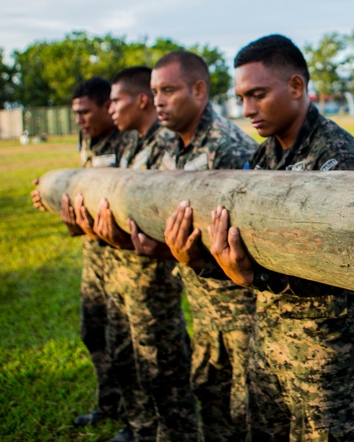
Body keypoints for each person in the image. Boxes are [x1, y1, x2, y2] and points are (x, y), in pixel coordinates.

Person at [206, 34, 354, 441]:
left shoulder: (338, 160)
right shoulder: (267, 155)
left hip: (326, 346)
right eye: (241, 97)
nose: (246, 110)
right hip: (269, 334)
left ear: (297, 87)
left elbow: (344, 265)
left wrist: (252, 277)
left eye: (258, 94)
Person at [126, 50, 257, 442]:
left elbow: (251, 242)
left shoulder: (230, 148)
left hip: (242, 311)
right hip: (202, 306)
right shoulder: (164, 146)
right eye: (154, 91)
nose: (157, 100)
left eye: (168, 89)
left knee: (249, 411)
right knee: (210, 401)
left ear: (199, 90)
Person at [84, 66, 201, 442]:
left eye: (116, 100)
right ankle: (140, 428)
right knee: (129, 358)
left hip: (153, 279)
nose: (111, 108)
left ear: (141, 100)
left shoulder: (167, 147)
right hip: (123, 272)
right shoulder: (131, 143)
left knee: (163, 369)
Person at [48, 77, 132, 437]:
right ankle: (109, 401)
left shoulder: (129, 140)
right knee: (93, 330)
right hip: (94, 253)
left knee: (127, 340)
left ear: (107, 108)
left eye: (86, 111)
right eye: (76, 113)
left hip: (126, 257)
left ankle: (135, 418)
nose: (80, 119)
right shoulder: (87, 139)